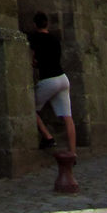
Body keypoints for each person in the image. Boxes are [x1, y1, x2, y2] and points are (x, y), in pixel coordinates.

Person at [27, 11, 76, 156]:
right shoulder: (55, 39)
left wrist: (34, 63)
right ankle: (72, 152)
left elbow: (34, 58)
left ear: (35, 25)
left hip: (49, 80)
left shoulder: (35, 38)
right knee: (67, 117)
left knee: (29, 108)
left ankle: (47, 136)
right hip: (63, 78)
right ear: (47, 24)